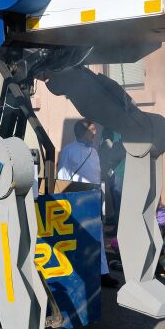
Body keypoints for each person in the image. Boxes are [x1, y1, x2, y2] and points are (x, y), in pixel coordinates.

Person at [57, 119, 116, 287]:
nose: (95, 131)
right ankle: (76, 272)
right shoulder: (69, 150)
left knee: (97, 234)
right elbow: (62, 176)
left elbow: (96, 177)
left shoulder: (94, 152)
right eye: (92, 128)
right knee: (76, 236)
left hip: (94, 198)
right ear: (83, 132)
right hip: (76, 200)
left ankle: (103, 273)